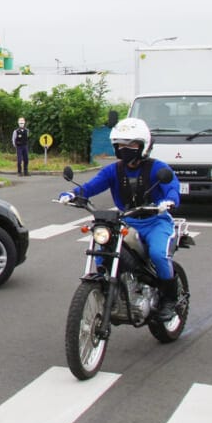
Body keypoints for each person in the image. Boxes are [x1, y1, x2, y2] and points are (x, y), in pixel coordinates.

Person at [58, 117, 181, 320]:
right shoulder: (113, 170)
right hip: (127, 221)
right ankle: (109, 292)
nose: (125, 149)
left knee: (159, 254)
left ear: (143, 145)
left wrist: (168, 201)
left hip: (155, 221)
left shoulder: (158, 168)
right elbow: (91, 186)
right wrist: (72, 194)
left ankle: (169, 299)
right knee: (103, 250)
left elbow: (172, 188)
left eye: (130, 144)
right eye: (120, 145)